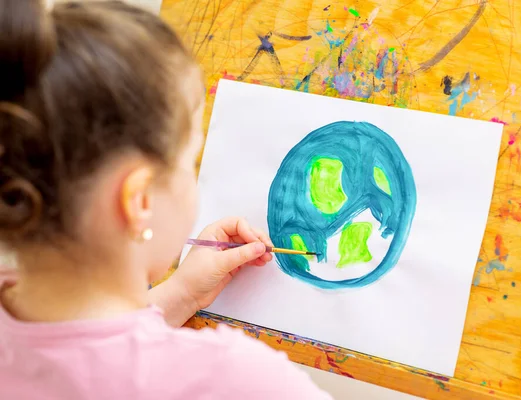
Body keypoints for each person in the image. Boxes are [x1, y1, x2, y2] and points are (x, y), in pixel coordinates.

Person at [0, 1, 332, 398]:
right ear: (140, 200)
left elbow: (85, 347)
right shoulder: (239, 381)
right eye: (190, 161)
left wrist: (181, 295)